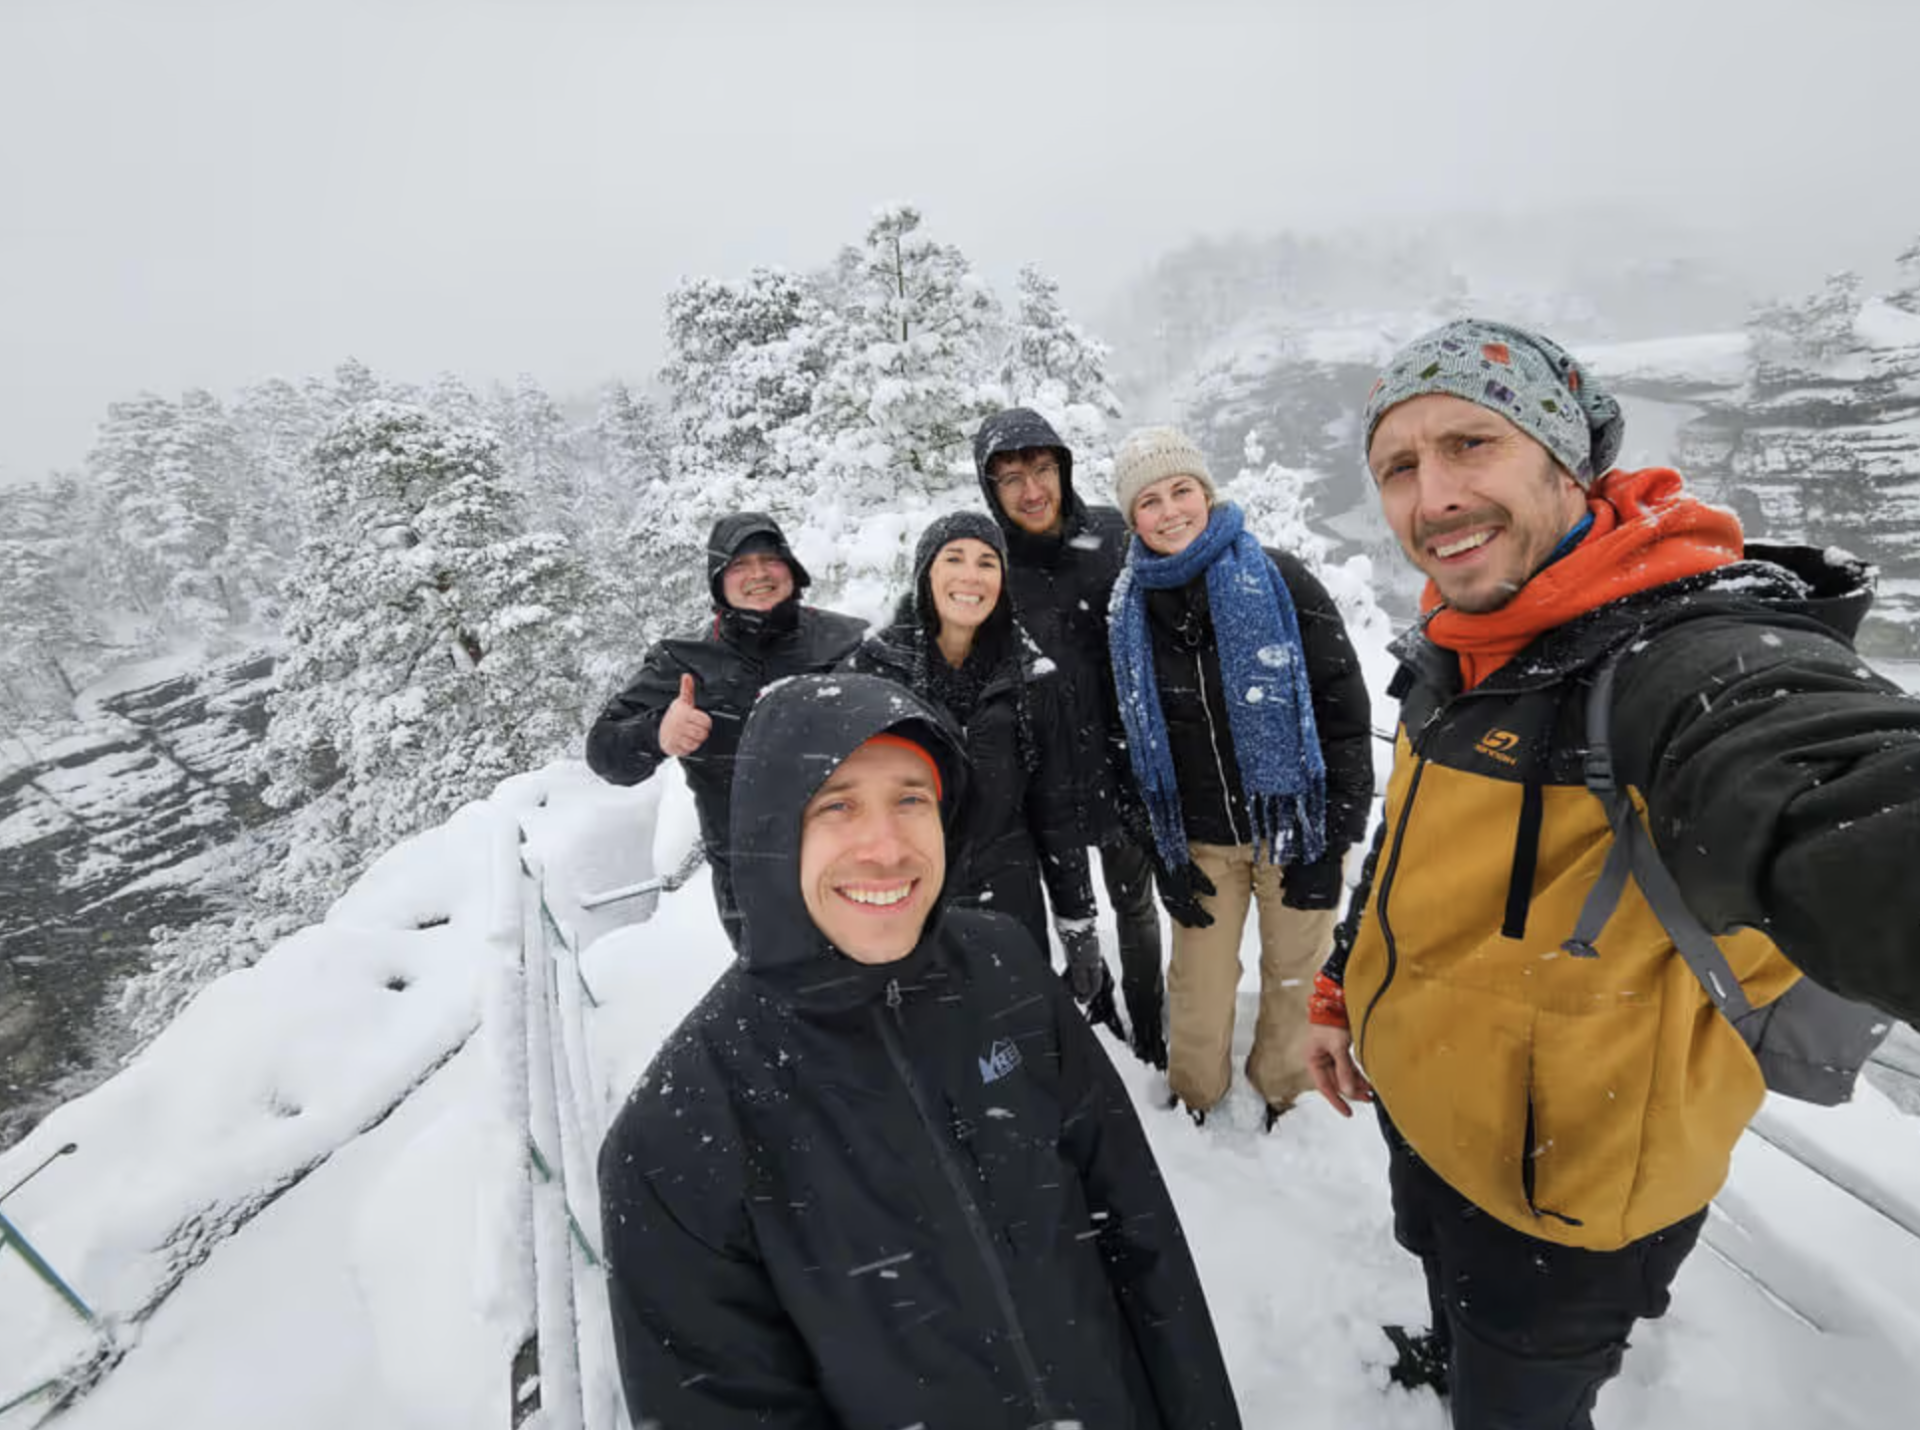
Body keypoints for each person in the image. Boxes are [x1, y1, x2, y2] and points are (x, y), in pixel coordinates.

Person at [1304, 317, 1920, 1430]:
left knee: (1524, 1397)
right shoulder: (1461, 649)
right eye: (1399, 465)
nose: (1431, 495)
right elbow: (1406, 847)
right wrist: (1342, 988)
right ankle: (1455, 1346)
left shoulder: (1678, 654)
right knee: (1457, 1295)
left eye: (1470, 445)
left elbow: (1829, 779)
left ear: (1564, 461)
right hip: (1442, 1124)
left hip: (1567, 1197)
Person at [598, 672, 1242, 1430]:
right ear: (772, 831)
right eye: (836, 805)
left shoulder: (1005, 970)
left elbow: (1142, 1242)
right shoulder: (678, 1135)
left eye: (911, 799)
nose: (885, 847)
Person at [1106, 426, 1373, 1130]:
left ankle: (1283, 1092)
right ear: (1132, 517)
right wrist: (1162, 857)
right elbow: (1123, 743)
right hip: (1200, 841)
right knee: (1197, 986)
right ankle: (1195, 1099)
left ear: (1206, 491)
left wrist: (1333, 838)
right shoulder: (1126, 612)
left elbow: (1344, 709)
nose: (1170, 512)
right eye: (1150, 501)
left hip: (1295, 828)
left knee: (1295, 977)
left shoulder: (1280, 580)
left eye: (1181, 491)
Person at [841, 512, 1110, 1012]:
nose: (971, 576)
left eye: (987, 562)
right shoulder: (877, 671)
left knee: (1011, 1044)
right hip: (904, 905)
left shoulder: (1033, 676)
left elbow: (1056, 813)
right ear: (926, 572)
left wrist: (1078, 926)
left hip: (1009, 906)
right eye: (954, 559)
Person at [974, 408, 1169, 1066]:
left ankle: (1148, 1028)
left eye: (1042, 470)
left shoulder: (1112, 537)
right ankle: (1097, 1000)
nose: (1032, 490)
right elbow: (932, 639)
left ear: (1063, 468)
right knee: (1073, 920)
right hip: (1042, 784)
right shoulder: (988, 565)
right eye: (1011, 479)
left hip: (1120, 769)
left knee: (1135, 907)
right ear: (989, 489)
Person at [585, 512, 865, 948]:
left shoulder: (847, 640)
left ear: (791, 566)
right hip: (753, 886)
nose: (758, 574)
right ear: (718, 580)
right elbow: (604, 753)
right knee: (785, 1003)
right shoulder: (684, 660)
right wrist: (658, 733)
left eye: (770, 559)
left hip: (861, 862)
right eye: (738, 565)